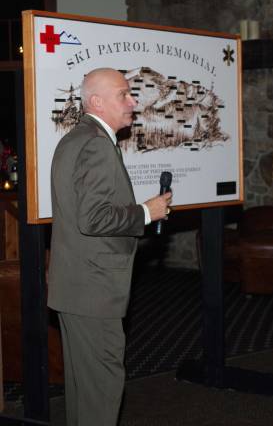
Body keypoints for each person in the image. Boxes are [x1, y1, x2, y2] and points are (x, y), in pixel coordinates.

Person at [48, 67, 172, 426]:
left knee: (84, 395)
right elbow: (94, 218)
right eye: (124, 94)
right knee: (101, 393)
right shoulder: (95, 144)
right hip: (93, 291)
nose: (133, 101)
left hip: (77, 289)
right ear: (97, 102)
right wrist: (147, 212)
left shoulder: (76, 139)